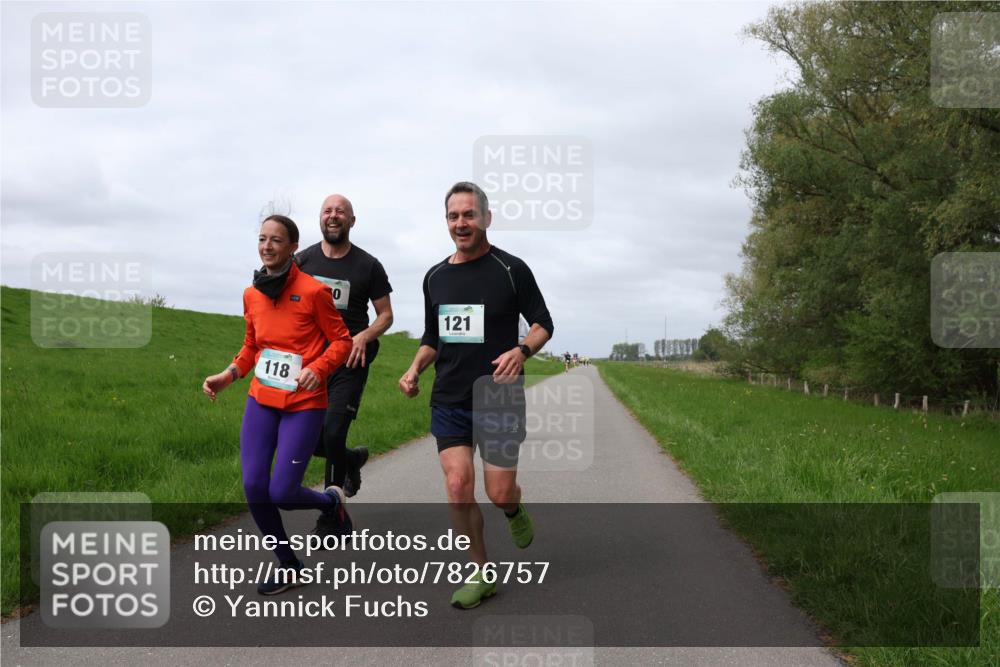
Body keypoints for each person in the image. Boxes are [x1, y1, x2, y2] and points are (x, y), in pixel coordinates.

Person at [399, 182, 554, 609]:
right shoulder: (435, 277)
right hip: (449, 397)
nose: (461, 223)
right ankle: (481, 571)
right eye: (453, 216)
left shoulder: (511, 269)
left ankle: (513, 510)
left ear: (486, 217)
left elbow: (543, 323)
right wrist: (414, 369)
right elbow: (434, 336)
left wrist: (522, 351)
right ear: (446, 221)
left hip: (499, 397)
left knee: (499, 492)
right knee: (456, 484)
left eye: (469, 215)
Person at [202, 214, 353, 595]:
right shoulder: (252, 294)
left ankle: (329, 502)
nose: (267, 246)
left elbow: (342, 342)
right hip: (262, 400)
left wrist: (318, 369)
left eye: (276, 240)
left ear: (292, 247)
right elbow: (253, 346)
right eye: (262, 239)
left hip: (304, 403)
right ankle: (288, 564)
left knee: (283, 492)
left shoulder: (314, 292)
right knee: (254, 485)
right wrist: (229, 374)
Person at [296, 194, 393, 535]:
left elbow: (386, 315)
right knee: (307, 439)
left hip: (350, 359)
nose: (333, 216)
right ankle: (350, 459)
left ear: (352, 221)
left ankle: (331, 516)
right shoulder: (302, 261)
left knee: (333, 431)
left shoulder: (368, 265)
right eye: (327, 211)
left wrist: (365, 336)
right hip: (308, 363)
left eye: (341, 212)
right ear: (319, 219)